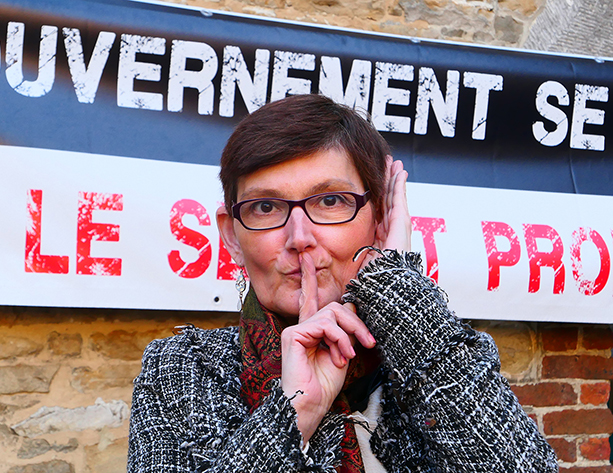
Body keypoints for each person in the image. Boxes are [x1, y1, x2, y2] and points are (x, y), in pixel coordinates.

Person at [127, 94, 558, 472]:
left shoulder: (440, 357)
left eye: (330, 201)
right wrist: (295, 411)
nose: (299, 237)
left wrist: (395, 282)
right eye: (265, 207)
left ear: (380, 219)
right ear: (232, 237)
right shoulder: (183, 371)